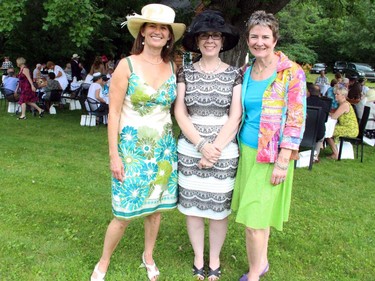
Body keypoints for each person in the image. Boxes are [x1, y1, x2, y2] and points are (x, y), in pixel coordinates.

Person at [90, 4, 185, 281]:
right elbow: (115, 113)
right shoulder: (126, 65)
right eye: (152, 27)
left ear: (169, 36)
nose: (157, 32)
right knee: (123, 213)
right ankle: (103, 262)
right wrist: (114, 156)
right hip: (131, 150)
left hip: (163, 150)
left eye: (163, 28)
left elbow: (175, 110)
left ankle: (148, 256)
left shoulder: (172, 66)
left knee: (155, 211)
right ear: (142, 32)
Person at [230, 11, 306, 281]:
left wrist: (284, 160)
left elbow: (296, 119)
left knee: (253, 221)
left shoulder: (291, 72)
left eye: (265, 36)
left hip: (272, 156)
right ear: (247, 39)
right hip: (247, 152)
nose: (259, 41)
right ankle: (261, 263)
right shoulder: (247, 71)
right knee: (259, 215)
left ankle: (253, 275)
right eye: (254, 36)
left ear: (275, 39)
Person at [174, 10, 241, 281]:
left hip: (224, 151)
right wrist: (201, 145)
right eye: (204, 36)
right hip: (191, 147)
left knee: (218, 210)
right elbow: (180, 111)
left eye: (215, 36)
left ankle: (214, 260)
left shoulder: (235, 73)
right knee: (192, 208)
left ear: (223, 41)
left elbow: (235, 115)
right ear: (197, 41)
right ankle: (198, 257)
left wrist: (215, 150)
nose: (210, 40)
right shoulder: (185, 71)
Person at [325, 84, 359, 160]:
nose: (335, 96)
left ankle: (335, 153)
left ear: (343, 95)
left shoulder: (345, 105)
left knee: (327, 131)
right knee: (328, 130)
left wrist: (327, 113)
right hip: (345, 127)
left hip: (350, 129)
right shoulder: (341, 104)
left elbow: (334, 116)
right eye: (335, 94)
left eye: (337, 94)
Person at [306, 82, 330, 162]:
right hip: (318, 133)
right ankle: (315, 156)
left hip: (303, 132)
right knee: (322, 134)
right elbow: (325, 120)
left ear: (308, 92)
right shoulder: (324, 105)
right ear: (319, 93)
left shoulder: (303, 102)